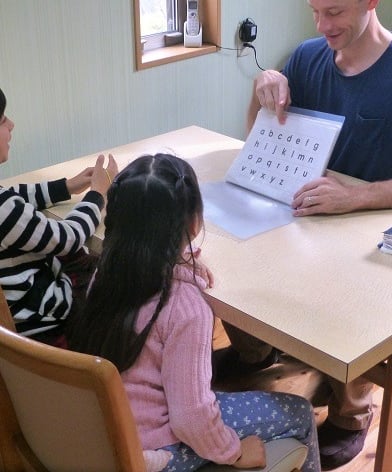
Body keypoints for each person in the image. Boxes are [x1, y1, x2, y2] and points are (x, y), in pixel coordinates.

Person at [68, 153, 321, 471]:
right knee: (299, 413)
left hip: (106, 428)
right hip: (151, 451)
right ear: (194, 223)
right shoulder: (186, 307)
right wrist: (235, 452)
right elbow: (190, 417)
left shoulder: (106, 273)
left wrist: (183, 263)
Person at [226, 0, 392, 469]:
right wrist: (260, 92)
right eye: (315, 11)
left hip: (364, 235)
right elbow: (257, 140)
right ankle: (258, 352)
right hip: (299, 219)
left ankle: (353, 411)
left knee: (356, 297)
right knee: (226, 251)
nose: (322, 25)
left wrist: (355, 197)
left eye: (334, 11)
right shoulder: (305, 57)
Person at [0, 87, 118, 344]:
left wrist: (66, 186)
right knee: (117, 277)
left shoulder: (5, 204)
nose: (11, 124)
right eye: (2, 120)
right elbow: (69, 237)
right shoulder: (3, 210)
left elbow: (14, 193)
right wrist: (98, 194)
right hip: (42, 321)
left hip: (21, 313)